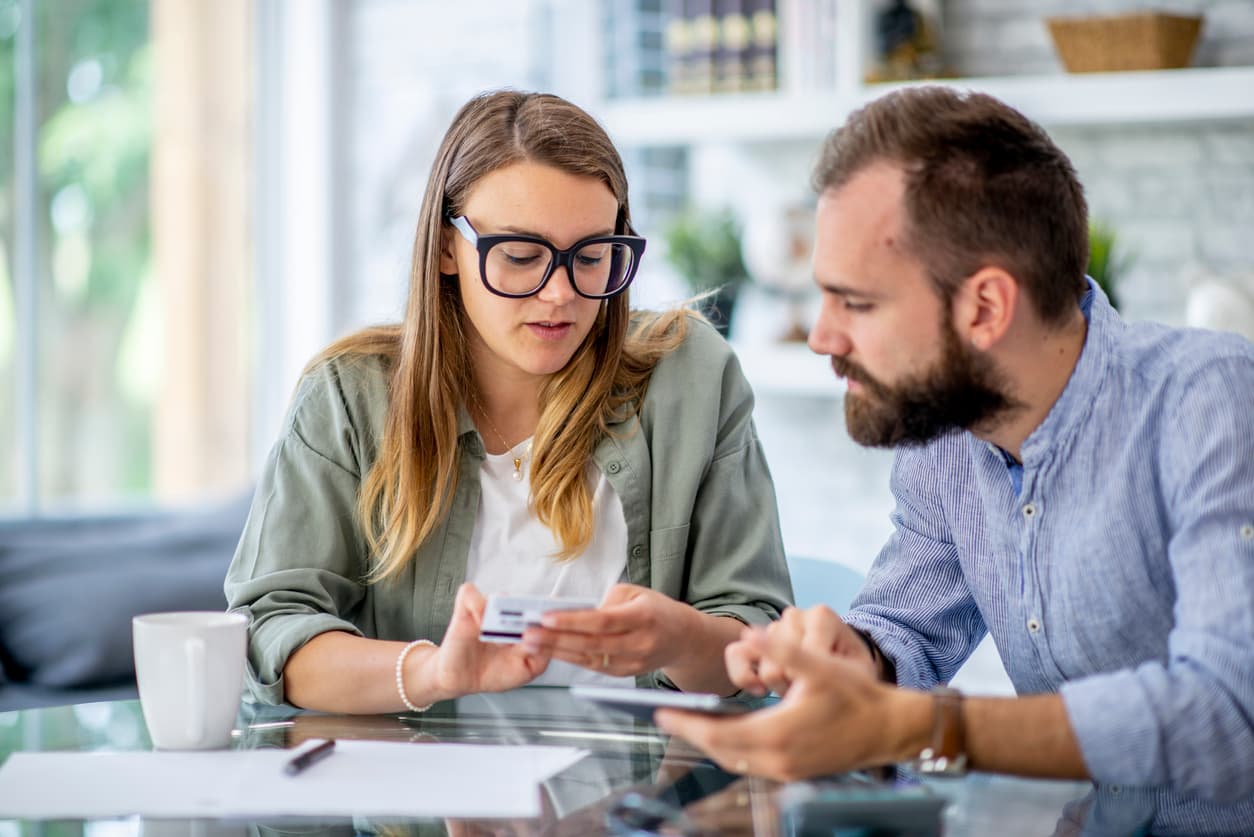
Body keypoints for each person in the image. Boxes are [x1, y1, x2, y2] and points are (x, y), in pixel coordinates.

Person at [657, 85, 1254, 811]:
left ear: (985, 308)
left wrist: (923, 724)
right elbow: (906, 628)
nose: (821, 336)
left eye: (857, 302)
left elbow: (1227, 709)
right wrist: (852, 660)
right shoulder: (949, 434)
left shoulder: (1210, 399)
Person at [225, 90, 792, 714]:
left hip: (642, 798)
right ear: (446, 249)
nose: (560, 295)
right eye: (521, 257)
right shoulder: (349, 397)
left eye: (594, 255)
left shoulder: (693, 379)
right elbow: (269, 633)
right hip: (423, 796)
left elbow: (757, 637)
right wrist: (434, 673)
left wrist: (681, 641)